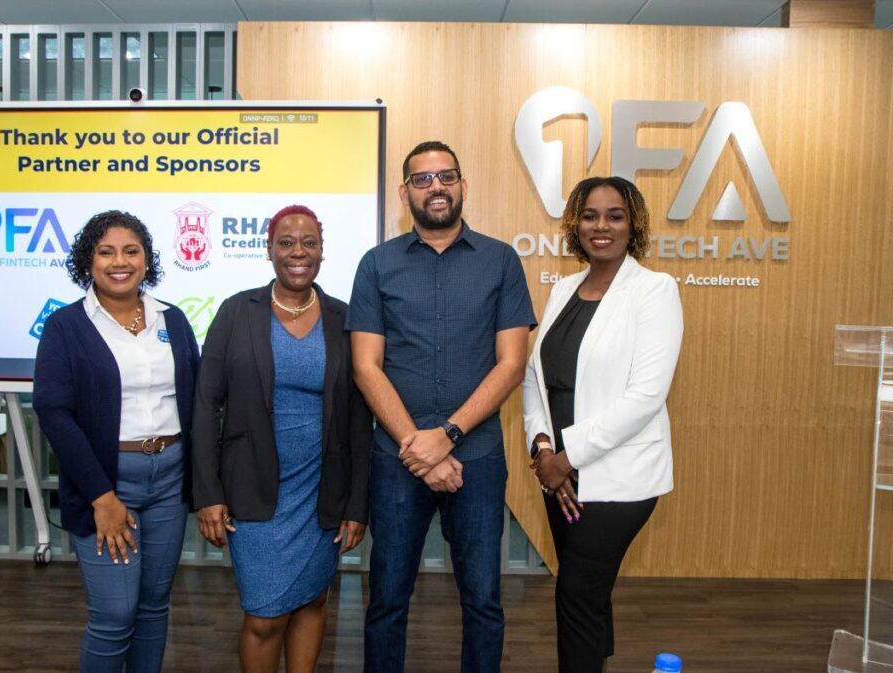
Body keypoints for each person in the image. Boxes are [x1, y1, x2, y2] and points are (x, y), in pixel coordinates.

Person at [347, 140, 536, 673]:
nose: (436, 187)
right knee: (387, 599)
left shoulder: (500, 260)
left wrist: (445, 437)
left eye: (446, 176)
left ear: (463, 185)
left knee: (482, 600)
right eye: (423, 179)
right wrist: (418, 445)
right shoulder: (376, 264)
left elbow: (511, 365)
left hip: (475, 458)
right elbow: (366, 366)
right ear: (405, 191)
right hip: (396, 460)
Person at [191, 204, 371, 673]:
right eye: (286, 243)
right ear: (269, 250)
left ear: (322, 252)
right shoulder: (237, 312)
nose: (298, 252)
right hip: (252, 493)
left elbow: (357, 419)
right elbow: (206, 405)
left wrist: (356, 505)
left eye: (308, 243)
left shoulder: (342, 318)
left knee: (312, 602)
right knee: (264, 618)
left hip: (321, 493)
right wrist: (207, 494)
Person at [521, 176, 683, 673]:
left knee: (577, 592)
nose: (602, 225)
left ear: (632, 223)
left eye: (615, 215)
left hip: (619, 479)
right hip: (560, 476)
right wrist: (543, 448)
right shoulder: (565, 288)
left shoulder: (655, 291)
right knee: (586, 590)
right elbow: (536, 377)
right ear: (575, 224)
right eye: (590, 215)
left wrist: (566, 458)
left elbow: (645, 398)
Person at [33, 210, 199, 672]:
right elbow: (54, 412)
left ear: (147, 260)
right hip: (106, 482)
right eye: (105, 252)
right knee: (114, 614)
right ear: (88, 262)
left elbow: (196, 398)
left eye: (131, 251)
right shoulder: (66, 327)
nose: (119, 261)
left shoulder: (174, 319)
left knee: (152, 607)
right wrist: (101, 496)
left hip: (170, 478)